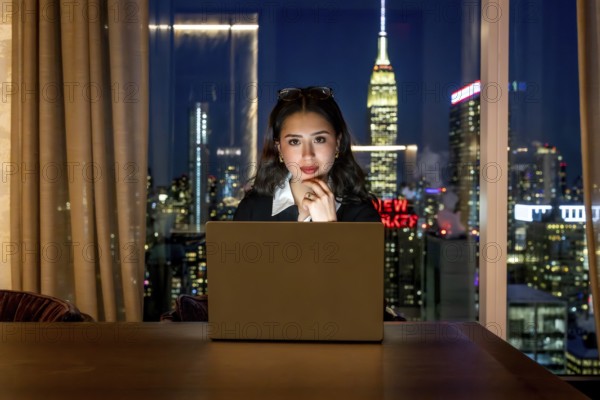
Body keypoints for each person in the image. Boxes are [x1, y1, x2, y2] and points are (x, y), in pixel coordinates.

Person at [234, 86, 381, 223]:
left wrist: (329, 227)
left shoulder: (362, 215)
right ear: (279, 148)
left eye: (319, 139)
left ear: (337, 143)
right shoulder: (251, 211)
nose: (308, 155)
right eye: (294, 142)